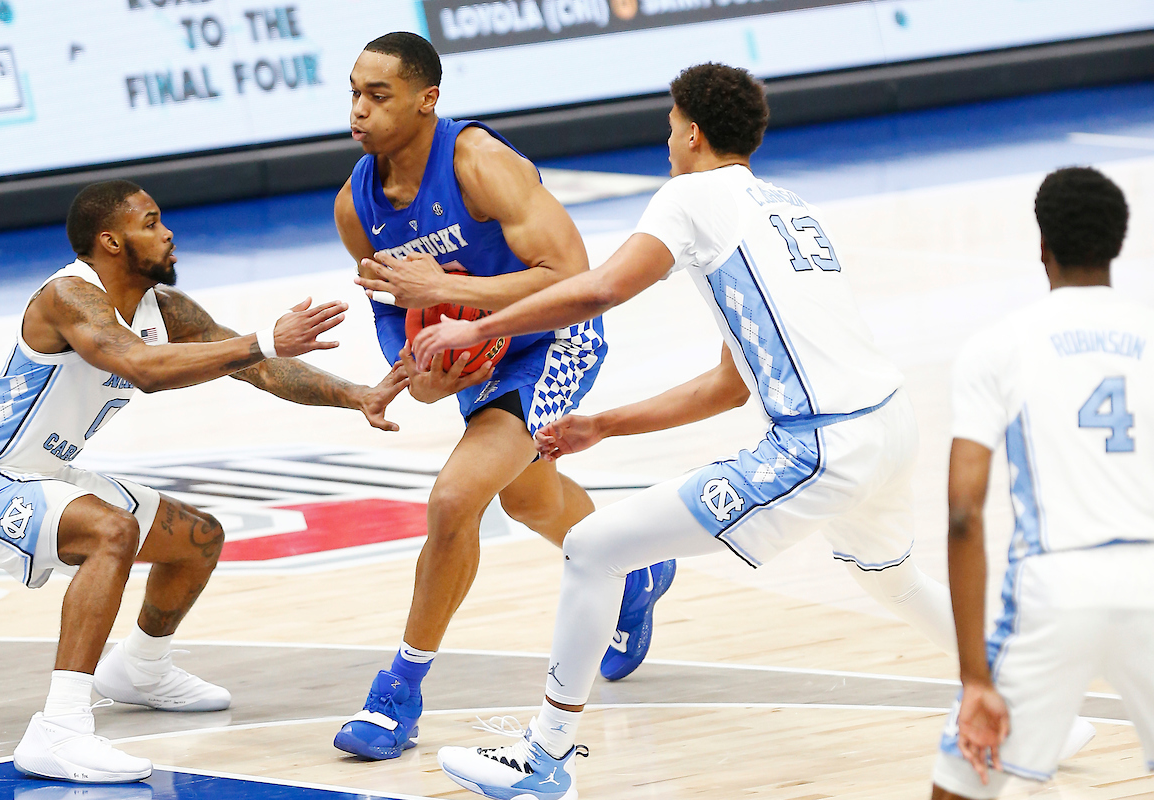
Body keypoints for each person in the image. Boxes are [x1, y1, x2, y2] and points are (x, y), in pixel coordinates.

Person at [414, 62, 984, 800]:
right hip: (889, 424)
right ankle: (1021, 706)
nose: (668, 140)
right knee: (894, 577)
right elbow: (728, 383)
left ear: (691, 131)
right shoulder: (783, 205)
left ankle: (544, 759)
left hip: (822, 445)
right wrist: (604, 425)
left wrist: (479, 324)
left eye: (669, 125)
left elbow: (601, 288)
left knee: (592, 548)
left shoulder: (690, 196)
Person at [0, 180, 408, 783]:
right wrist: (262, 339)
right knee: (109, 532)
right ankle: (59, 730)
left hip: (44, 472)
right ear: (110, 241)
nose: (167, 232)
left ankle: (139, 667)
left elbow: (257, 367)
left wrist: (359, 395)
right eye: (151, 221)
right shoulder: (68, 295)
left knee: (197, 539)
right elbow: (140, 368)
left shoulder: (165, 308)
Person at [331, 31, 675, 761]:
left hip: (554, 339)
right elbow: (398, 319)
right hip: (478, 355)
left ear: (428, 101)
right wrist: (419, 377)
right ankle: (636, 569)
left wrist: (454, 294)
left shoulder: (481, 164)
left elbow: (575, 274)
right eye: (354, 93)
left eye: (378, 95)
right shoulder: (355, 207)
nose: (358, 110)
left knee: (456, 499)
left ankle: (398, 693)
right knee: (527, 499)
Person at [930, 168, 1153, 798]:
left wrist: (975, 677)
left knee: (960, 787)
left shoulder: (998, 346)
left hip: (1054, 590)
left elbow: (963, 516)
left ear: (1042, 246)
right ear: (1118, 241)